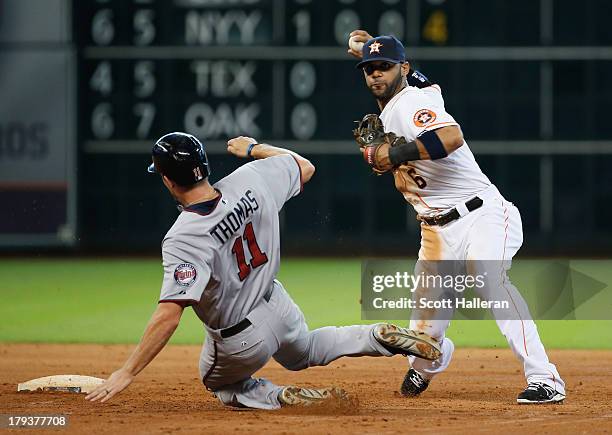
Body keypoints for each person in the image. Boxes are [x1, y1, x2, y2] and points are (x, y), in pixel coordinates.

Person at [85, 132, 441, 409]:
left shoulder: (182, 236)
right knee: (304, 352)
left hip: (240, 340)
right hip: (279, 305)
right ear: (204, 166)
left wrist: (127, 371)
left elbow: (169, 315)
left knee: (220, 385)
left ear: (167, 180)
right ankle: (375, 336)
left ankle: (277, 397)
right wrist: (255, 147)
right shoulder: (250, 179)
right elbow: (304, 166)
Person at [348, 30, 566, 404]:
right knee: (422, 339)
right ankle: (429, 363)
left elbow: (450, 137)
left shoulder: (411, 102)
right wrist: (368, 49)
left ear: (403, 68)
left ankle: (546, 379)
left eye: (383, 67)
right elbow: (418, 79)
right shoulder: (420, 93)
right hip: (435, 233)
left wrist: (394, 155)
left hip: (481, 215)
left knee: (491, 282)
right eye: (369, 69)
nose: (375, 74)